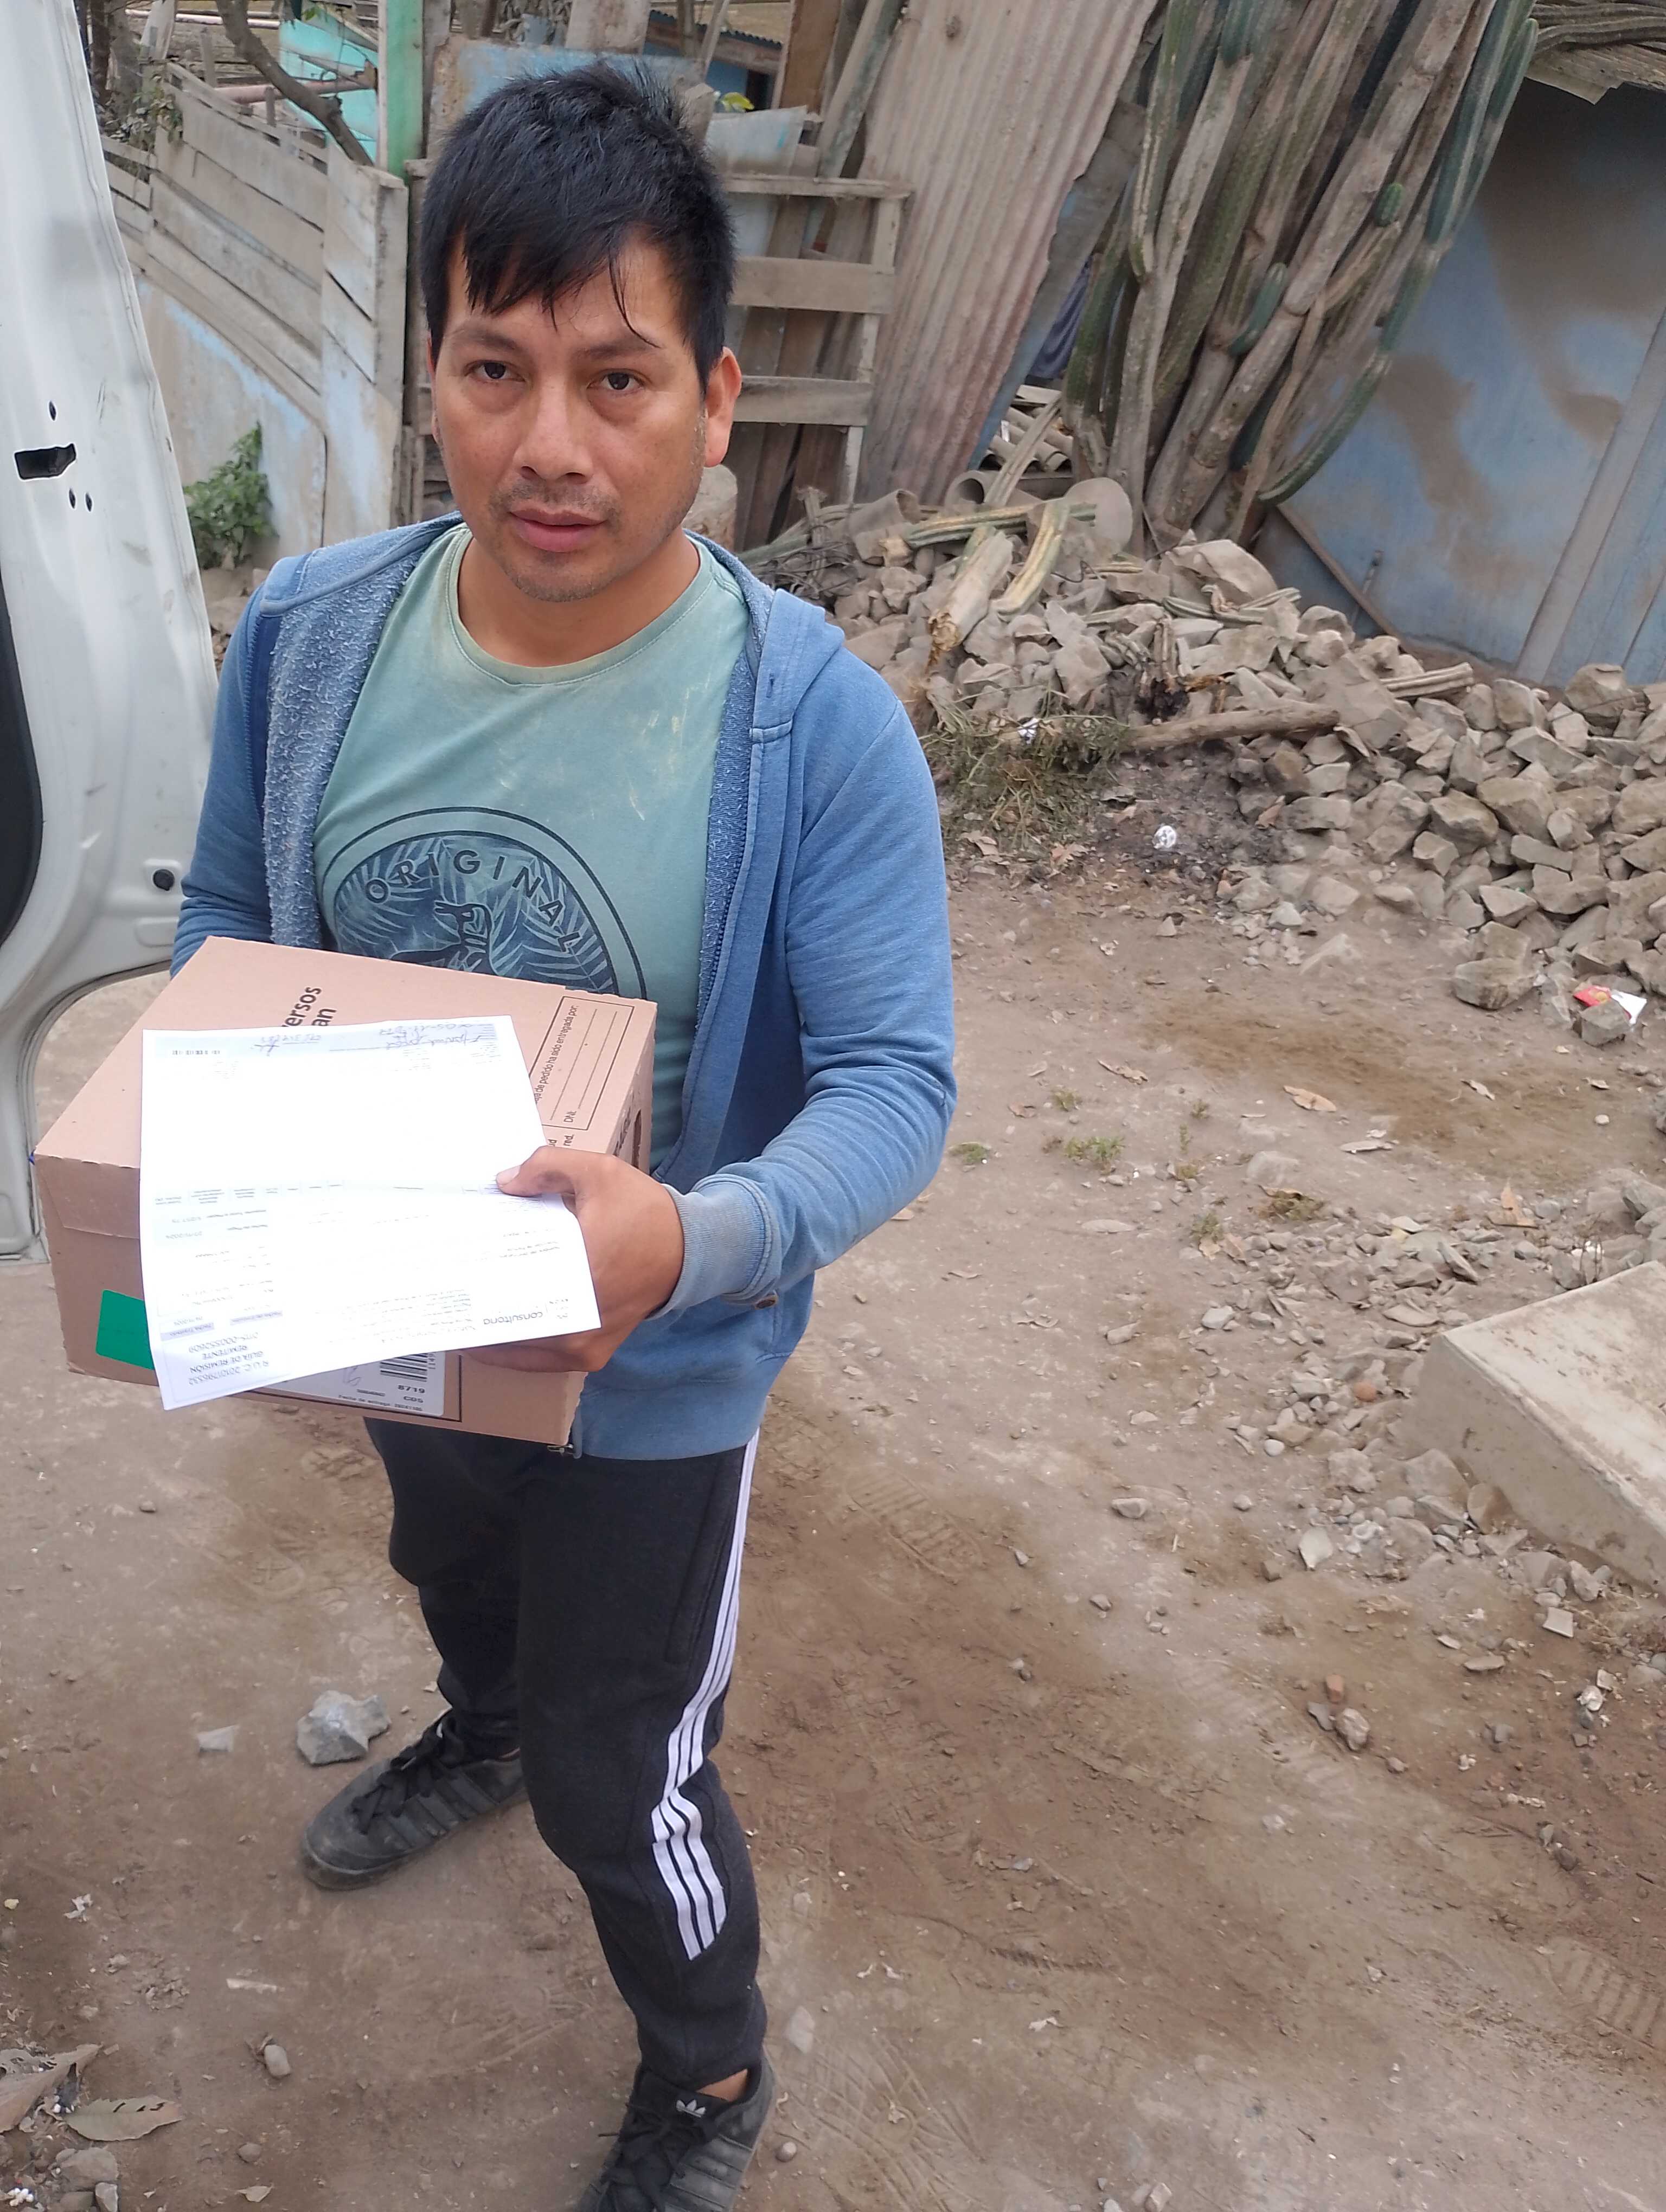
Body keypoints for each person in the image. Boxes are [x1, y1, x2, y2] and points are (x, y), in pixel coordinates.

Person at [171, 61, 954, 2212]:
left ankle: (708, 2068)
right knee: (453, 1571)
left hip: (652, 1366)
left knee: (634, 1772)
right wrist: (225, 1127)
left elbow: (899, 1089)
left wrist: (685, 1246)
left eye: (618, 378)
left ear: (715, 400)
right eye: (494, 367)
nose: (550, 444)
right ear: (430, 371)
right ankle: (486, 1721)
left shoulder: (812, 723)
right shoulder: (313, 639)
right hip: (401, 1308)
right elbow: (227, 915)